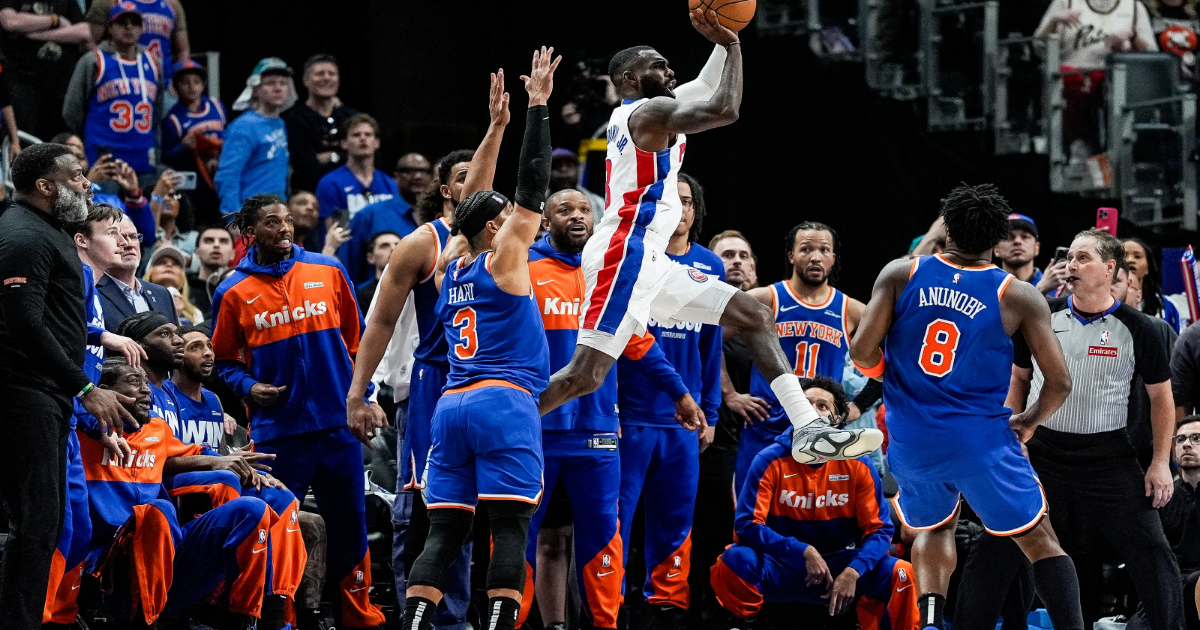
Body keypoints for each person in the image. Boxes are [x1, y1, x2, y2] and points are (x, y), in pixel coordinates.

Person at [537, 8, 881, 466]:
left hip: (649, 258)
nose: (670, 71)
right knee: (584, 376)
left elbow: (704, 84)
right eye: (658, 65)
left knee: (754, 315)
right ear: (630, 78)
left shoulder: (650, 111)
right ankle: (499, 427)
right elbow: (725, 108)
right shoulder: (649, 112)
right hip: (625, 252)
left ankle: (810, 431)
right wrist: (734, 45)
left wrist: (725, 37)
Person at [849, 183, 1084, 630]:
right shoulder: (1017, 294)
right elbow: (1060, 382)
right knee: (1040, 539)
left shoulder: (901, 273)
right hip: (980, 441)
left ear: (949, 231)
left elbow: (861, 353)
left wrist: (893, 377)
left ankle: (931, 622)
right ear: (997, 239)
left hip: (911, 441)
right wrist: (1030, 421)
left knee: (935, 527)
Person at [398, 45, 558, 630]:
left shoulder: (451, 267)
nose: (518, 217)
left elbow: (470, 211)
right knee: (509, 530)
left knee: (443, 533)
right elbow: (534, 180)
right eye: (506, 215)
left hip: (451, 407)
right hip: (503, 402)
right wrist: (537, 107)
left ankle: (414, 623)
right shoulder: (505, 259)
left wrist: (495, 127)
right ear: (496, 226)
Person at [211, 193, 387, 628]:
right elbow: (224, 361)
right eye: (272, 222)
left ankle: (358, 618)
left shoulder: (328, 270)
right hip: (278, 433)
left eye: (288, 220)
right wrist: (249, 387)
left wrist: (364, 397)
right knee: (280, 527)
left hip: (337, 425)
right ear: (250, 233)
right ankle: (281, 618)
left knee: (350, 525)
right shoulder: (231, 291)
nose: (285, 228)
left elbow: (359, 343)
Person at [522, 187, 685, 630]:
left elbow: (638, 341)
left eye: (584, 210)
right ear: (544, 221)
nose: (577, 216)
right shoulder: (522, 268)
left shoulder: (607, 275)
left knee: (603, 540)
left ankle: (605, 625)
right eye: (565, 210)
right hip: (534, 428)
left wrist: (679, 393)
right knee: (519, 538)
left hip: (596, 433)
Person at [1008, 228, 1182, 628]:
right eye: (1070, 257)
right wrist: (1011, 438)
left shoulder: (1142, 327)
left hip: (1108, 456)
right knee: (1007, 545)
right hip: (1043, 451)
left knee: (1152, 549)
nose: (1072, 264)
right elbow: (1018, 379)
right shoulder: (1041, 315)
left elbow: (1162, 399)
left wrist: (1160, 462)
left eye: (1083, 258)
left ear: (1109, 268)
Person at [0, 143, 134, 630]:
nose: (87, 183)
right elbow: (22, 323)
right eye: (76, 176)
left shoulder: (48, 229)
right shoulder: (22, 235)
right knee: (34, 523)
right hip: (23, 393)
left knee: (44, 523)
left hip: (45, 395)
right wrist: (84, 388)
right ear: (45, 186)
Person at [346, 143, 474, 630]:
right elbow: (380, 322)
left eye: (480, 175)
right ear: (445, 190)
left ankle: (456, 617)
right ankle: (419, 618)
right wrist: (363, 393)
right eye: (463, 176)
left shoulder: (502, 240)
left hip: (486, 387)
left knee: (471, 510)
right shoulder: (422, 242)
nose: (474, 182)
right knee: (422, 508)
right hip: (430, 383)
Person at [77, 355, 295, 629]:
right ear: (104, 391)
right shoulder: (81, 433)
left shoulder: (157, 428)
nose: (146, 390)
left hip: (167, 554)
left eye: (146, 382)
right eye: (134, 382)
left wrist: (252, 471)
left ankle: (243, 619)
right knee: (157, 511)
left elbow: (196, 452)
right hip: (108, 559)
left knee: (252, 509)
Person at [116, 313, 307, 624]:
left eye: (178, 336)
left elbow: (185, 449)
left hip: (182, 483)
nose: (177, 343)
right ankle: (218, 598)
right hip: (152, 497)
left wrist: (239, 462)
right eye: (166, 335)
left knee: (279, 497)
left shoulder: (178, 394)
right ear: (137, 347)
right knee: (223, 479)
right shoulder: (133, 392)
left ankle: (274, 608)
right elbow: (155, 455)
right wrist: (219, 462)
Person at [710, 376, 919, 627]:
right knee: (733, 562)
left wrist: (854, 570)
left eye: (822, 406)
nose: (812, 410)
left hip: (839, 565)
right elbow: (746, 526)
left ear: (838, 419)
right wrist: (802, 551)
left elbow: (880, 529)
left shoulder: (859, 465)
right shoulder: (768, 459)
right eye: (805, 404)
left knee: (901, 572)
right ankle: (748, 622)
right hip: (783, 564)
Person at [614, 172, 724, 629]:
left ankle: (667, 609)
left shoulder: (710, 266)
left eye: (687, 201)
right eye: (670, 201)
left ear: (696, 211)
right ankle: (609, 606)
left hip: (684, 421)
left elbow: (711, 347)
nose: (679, 209)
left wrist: (710, 412)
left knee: (676, 520)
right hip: (630, 414)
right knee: (617, 520)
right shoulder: (632, 257)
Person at [44, 202, 145, 627]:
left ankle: (63, 616)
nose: (123, 240)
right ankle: (42, 616)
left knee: (80, 529)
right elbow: (53, 336)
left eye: (127, 233)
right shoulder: (76, 276)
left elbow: (82, 361)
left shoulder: (95, 287)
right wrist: (104, 335)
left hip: (73, 419)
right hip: (50, 416)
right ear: (81, 240)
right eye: (112, 232)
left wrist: (96, 426)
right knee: (58, 529)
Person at [734, 221, 876, 494]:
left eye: (824, 250)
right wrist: (730, 394)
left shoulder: (851, 309)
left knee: (808, 508)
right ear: (791, 255)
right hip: (766, 424)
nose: (815, 257)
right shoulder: (765, 298)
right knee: (751, 509)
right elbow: (710, 339)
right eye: (806, 249)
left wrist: (860, 404)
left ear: (833, 258)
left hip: (819, 429)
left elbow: (894, 357)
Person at [63, 2, 164, 179]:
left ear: (142, 28)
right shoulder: (93, 60)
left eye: (134, 23)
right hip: (104, 153)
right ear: (110, 27)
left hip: (142, 152)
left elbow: (157, 110)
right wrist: (89, 138)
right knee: (104, 197)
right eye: (122, 22)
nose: (129, 27)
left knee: (144, 197)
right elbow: (72, 110)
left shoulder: (153, 62)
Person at [214, 58, 293, 219]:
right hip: (252, 215)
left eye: (283, 83)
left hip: (276, 213)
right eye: (270, 83)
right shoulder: (244, 126)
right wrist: (233, 218)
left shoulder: (280, 123)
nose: (278, 88)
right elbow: (227, 175)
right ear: (255, 90)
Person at [0, 0, 88, 139]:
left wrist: (36, 34)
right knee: (26, 138)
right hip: (23, 81)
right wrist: (55, 20)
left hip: (60, 84)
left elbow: (84, 31)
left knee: (61, 140)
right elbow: (10, 22)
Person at [284, 54, 357, 195]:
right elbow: (306, 167)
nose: (326, 78)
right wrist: (348, 156)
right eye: (319, 74)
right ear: (305, 81)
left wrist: (331, 156)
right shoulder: (295, 120)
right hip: (311, 197)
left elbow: (370, 157)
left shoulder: (351, 117)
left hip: (352, 192)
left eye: (332, 74)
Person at [161, 59, 225, 215]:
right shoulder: (173, 119)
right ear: (175, 87)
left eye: (196, 82)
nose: (191, 87)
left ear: (203, 85)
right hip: (194, 182)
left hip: (220, 174)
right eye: (185, 82)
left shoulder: (216, 105)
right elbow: (166, 157)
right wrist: (183, 146)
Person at [96, 213, 178, 331]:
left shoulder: (162, 294)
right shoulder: (91, 291)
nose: (129, 244)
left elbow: (175, 339)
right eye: (119, 237)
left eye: (133, 237)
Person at [85, 0, 189, 84]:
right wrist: (107, 71)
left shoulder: (172, 4)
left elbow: (182, 50)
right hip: (117, 81)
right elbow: (89, 41)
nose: (129, 27)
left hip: (163, 82)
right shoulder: (107, 2)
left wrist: (179, 82)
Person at [1162, 416, 1200, 629]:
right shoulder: (1162, 496)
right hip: (1170, 583)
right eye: (1181, 439)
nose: (1186, 444)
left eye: (1196, 438)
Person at [1126, 237, 1183, 332]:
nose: (1130, 260)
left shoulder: (1166, 306)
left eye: (1137, 256)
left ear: (1148, 268)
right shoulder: (1103, 303)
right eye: (1124, 256)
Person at [144, 245, 204, 324]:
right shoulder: (138, 302)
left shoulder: (195, 313)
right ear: (149, 272)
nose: (169, 265)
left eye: (176, 264)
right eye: (161, 262)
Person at [186, 225, 234, 313]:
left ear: (233, 254)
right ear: (197, 252)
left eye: (223, 241)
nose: (216, 245)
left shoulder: (240, 288)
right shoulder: (185, 286)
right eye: (208, 241)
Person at [355, 231, 401, 314]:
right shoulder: (362, 297)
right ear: (371, 258)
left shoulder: (417, 290)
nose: (393, 248)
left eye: (397, 244)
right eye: (384, 246)